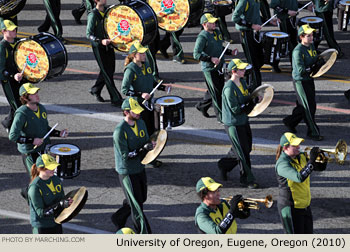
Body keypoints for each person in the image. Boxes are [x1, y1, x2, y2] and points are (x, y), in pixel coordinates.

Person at [111, 97, 153, 234]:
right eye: (135, 112)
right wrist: (143, 150)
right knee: (137, 206)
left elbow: (146, 140)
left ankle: (119, 217)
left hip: (140, 167)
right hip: (127, 171)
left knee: (141, 198)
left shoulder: (140, 123)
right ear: (126, 112)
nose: (138, 113)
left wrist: (152, 145)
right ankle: (145, 234)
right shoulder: (119, 132)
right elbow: (125, 156)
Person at [121, 41, 168, 161]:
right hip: (138, 106)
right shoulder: (130, 69)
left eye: (144, 53)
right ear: (134, 55)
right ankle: (146, 156)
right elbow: (124, 90)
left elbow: (151, 81)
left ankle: (152, 155)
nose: (144, 55)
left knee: (153, 129)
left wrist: (163, 87)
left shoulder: (146, 65)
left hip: (149, 104)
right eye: (141, 53)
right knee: (145, 131)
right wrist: (140, 94)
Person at [9, 83, 68, 174]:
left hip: (43, 148)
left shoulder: (41, 108)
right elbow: (13, 136)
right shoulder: (22, 113)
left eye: (36, 92)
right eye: (32, 94)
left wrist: (58, 133)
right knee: (36, 178)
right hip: (30, 152)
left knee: (48, 175)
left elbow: (45, 128)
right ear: (25, 98)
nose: (36, 95)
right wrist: (32, 140)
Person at [220, 59, 259, 189]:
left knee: (245, 148)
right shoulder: (229, 89)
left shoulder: (242, 82)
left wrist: (254, 99)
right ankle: (247, 178)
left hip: (243, 120)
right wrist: (250, 104)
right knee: (242, 152)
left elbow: (246, 98)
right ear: (234, 71)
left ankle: (224, 165)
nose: (244, 71)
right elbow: (236, 109)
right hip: (234, 123)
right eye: (241, 69)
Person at [275, 132, 323, 233]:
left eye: (298, 144)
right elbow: (299, 177)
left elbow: (317, 168)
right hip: (291, 208)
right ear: (285, 148)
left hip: (304, 206)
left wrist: (321, 160)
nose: (298, 147)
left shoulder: (301, 156)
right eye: (295, 145)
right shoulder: (282, 164)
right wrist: (311, 161)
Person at [193, 13, 237, 121]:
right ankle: (221, 117)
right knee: (217, 94)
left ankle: (202, 106)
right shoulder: (202, 37)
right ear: (204, 24)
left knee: (216, 90)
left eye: (214, 22)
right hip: (210, 69)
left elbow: (219, 46)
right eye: (211, 23)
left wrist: (230, 52)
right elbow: (196, 54)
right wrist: (210, 58)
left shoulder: (217, 32)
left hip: (219, 66)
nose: (214, 24)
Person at [283, 24, 323, 141]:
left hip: (309, 79)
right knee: (308, 107)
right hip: (301, 81)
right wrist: (314, 66)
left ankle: (290, 122)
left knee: (304, 105)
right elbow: (301, 71)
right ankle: (313, 132)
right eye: (308, 36)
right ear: (301, 37)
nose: (311, 38)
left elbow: (314, 59)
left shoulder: (311, 47)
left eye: (312, 35)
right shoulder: (298, 51)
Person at [86, 0, 123, 107]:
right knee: (107, 73)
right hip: (99, 47)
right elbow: (89, 34)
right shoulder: (93, 15)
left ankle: (95, 89)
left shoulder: (107, 11)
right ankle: (115, 98)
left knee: (109, 70)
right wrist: (100, 41)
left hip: (109, 45)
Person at [28, 154, 72, 234]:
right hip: (42, 226)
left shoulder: (56, 179)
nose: (53, 169)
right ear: (41, 168)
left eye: (54, 166)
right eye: (50, 167)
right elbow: (41, 213)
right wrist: (60, 205)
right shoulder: (35, 188)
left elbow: (61, 198)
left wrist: (67, 202)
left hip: (56, 221)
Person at [270, 0, 313, 72]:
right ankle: (292, 66)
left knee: (291, 43)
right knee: (289, 44)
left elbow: (294, 3)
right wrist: (287, 11)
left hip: (291, 19)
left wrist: (306, 7)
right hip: (284, 20)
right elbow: (274, 5)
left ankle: (277, 64)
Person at [232, 0, 264, 88]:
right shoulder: (244, 1)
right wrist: (251, 25)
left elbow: (254, 14)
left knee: (260, 60)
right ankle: (256, 87)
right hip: (246, 33)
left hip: (254, 32)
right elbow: (235, 18)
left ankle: (248, 80)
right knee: (253, 61)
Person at [0, 20, 24, 132]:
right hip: (8, 81)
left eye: (15, 29)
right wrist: (12, 76)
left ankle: (7, 122)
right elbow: (1, 69)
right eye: (11, 30)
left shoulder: (19, 42)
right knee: (16, 105)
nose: (15, 31)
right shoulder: (2, 47)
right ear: (3, 31)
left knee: (20, 102)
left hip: (20, 77)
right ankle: (15, 129)